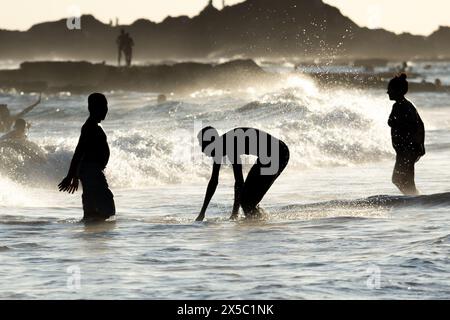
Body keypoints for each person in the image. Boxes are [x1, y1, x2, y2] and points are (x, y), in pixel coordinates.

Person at [196, 126, 290, 221]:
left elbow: (239, 182)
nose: (202, 150)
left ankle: (260, 226)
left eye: (202, 145)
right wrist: (202, 213)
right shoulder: (219, 149)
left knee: (246, 202)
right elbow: (214, 181)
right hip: (275, 153)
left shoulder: (228, 143)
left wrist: (234, 214)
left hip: (278, 153)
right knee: (247, 202)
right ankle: (261, 223)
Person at [58, 93, 115, 222]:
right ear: (93, 108)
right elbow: (79, 152)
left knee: (94, 208)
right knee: (105, 208)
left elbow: (85, 153)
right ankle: (95, 236)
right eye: (103, 106)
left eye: (106, 106)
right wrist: (70, 176)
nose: (106, 109)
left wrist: (76, 175)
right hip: (91, 172)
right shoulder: (90, 127)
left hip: (91, 172)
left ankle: (91, 236)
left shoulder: (93, 125)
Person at [387, 73, 425, 195]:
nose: (387, 92)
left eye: (390, 89)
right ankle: (414, 199)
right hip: (405, 149)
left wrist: (419, 145)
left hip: (407, 149)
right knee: (402, 180)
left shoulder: (403, 106)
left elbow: (416, 126)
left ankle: (414, 200)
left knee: (399, 179)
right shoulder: (401, 105)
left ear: (399, 91)